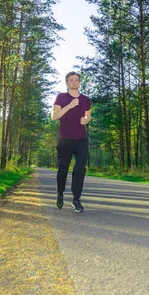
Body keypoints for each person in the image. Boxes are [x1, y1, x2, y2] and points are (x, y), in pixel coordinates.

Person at [51, 71, 91, 212]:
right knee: (63, 168)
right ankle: (60, 193)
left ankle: (76, 199)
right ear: (67, 82)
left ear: (79, 82)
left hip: (81, 139)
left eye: (76, 80)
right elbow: (54, 117)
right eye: (71, 80)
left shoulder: (86, 99)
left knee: (80, 169)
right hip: (65, 139)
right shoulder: (61, 97)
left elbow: (88, 115)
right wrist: (70, 106)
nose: (74, 82)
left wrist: (85, 120)